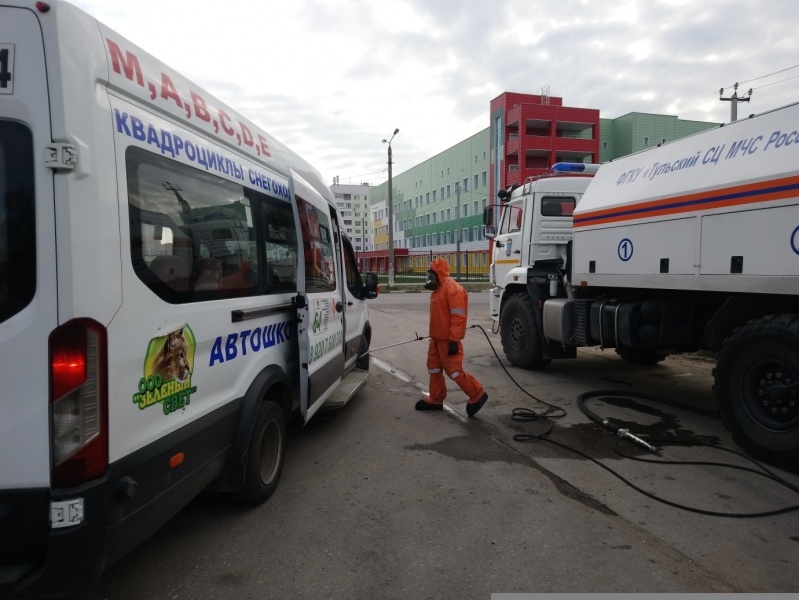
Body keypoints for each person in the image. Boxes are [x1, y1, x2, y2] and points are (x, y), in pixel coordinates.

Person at [416, 258, 488, 417]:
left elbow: (458, 318)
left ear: (437, 273)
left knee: (454, 371)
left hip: (448, 340)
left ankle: (477, 394)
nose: (429, 277)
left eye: (431, 273)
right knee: (434, 368)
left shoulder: (453, 289)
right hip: (435, 339)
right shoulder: (438, 290)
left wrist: (454, 340)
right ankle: (436, 398)